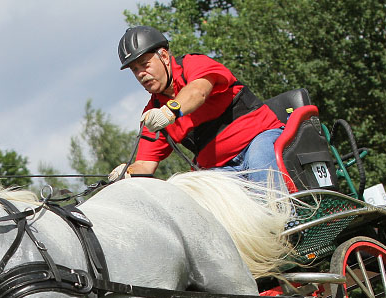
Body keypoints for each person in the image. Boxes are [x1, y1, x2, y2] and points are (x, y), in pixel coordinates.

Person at [110, 26, 284, 186]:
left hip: (259, 139)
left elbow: (198, 91)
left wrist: (169, 112)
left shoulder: (193, 65)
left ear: (164, 57)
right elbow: (145, 164)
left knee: (259, 160)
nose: (141, 74)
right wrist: (128, 172)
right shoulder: (152, 113)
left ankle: (283, 217)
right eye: (134, 69)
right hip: (218, 171)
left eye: (145, 64)